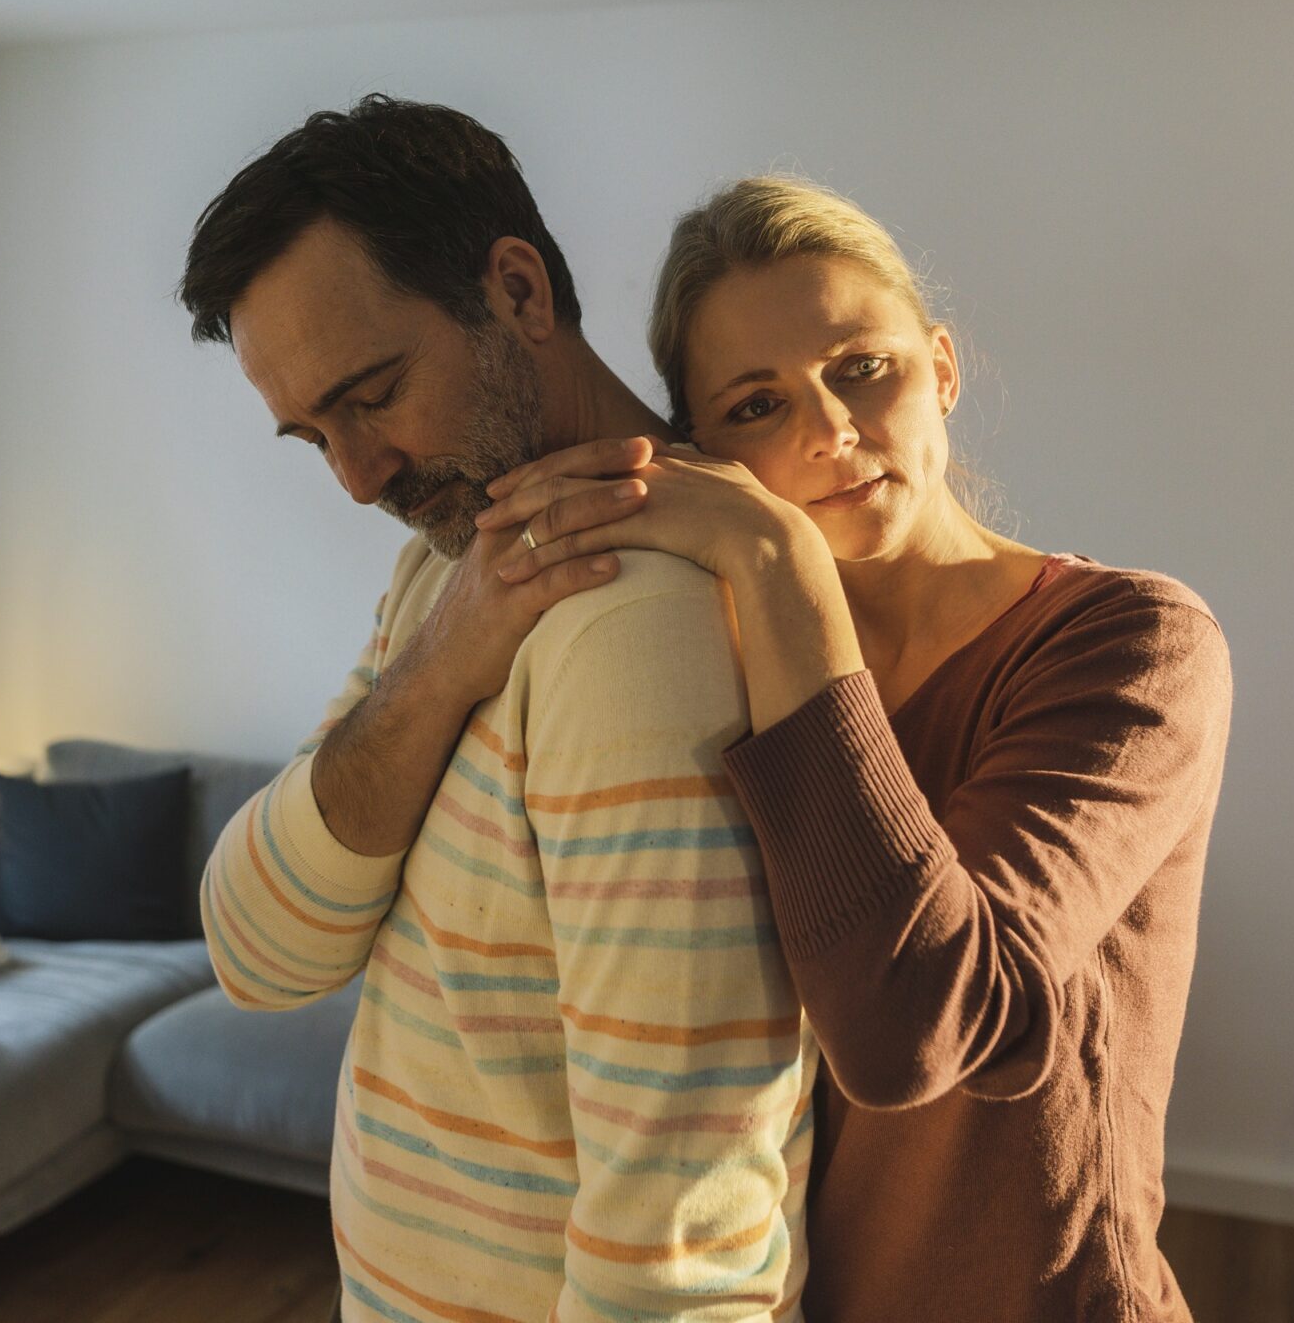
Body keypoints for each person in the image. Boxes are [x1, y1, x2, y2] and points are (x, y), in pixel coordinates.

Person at [476, 176, 1235, 1321]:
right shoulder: (711, 672)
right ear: (707, 451)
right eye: (754, 406)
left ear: (940, 368)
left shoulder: (1131, 642)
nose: (828, 432)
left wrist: (774, 558)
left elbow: (911, 1028)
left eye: (860, 370)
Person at [176, 100, 815, 1323]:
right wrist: (443, 659)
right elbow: (257, 951)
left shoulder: (638, 623)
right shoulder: (460, 563)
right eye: (311, 434)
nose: (357, 477)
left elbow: (680, 1227)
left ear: (518, 291)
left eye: (373, 394)